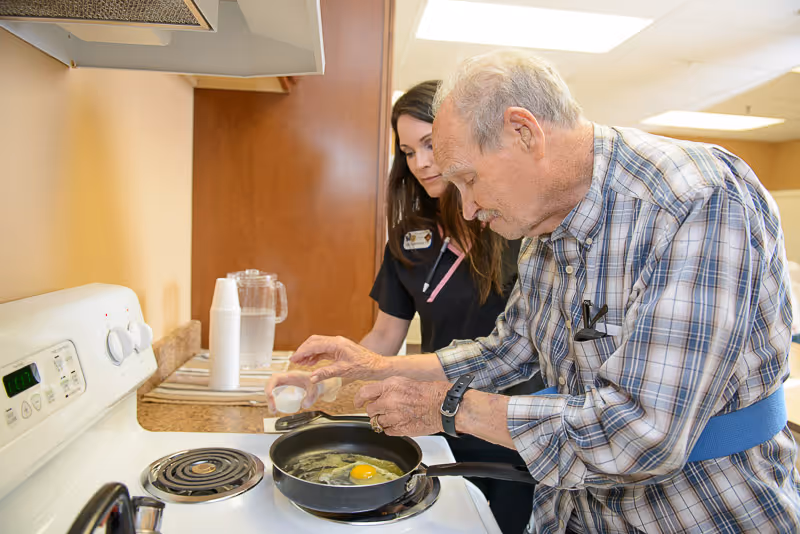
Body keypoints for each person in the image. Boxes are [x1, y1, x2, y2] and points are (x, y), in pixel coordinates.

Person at [276, 50, 800, 533]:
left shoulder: (695, 201)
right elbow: (511, 349)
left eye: (468, 179)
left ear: (524, 132)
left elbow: (642, 433)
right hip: (574, 507)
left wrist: (451, 408)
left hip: (702, 509)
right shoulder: (543, 225)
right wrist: (377, 367)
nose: (467, 209)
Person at [267, 80, 542, 534]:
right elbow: (383, 338)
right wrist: (321, 376)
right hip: (435, 424)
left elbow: (519, 348)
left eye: (431, 144)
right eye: (409, 151)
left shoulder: (516, 223)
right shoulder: (409, 238)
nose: (421, 163)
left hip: (513, 428)